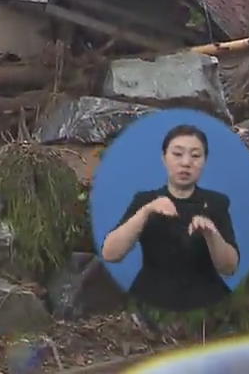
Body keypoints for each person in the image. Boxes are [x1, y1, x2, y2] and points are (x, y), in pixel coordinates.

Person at [101, 124, 240, 311]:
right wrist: (146, 211)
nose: (185, 163)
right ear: (164, 158)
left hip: (207, 301)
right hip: (150, 298)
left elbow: (229, 268)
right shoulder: (145, 200)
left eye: (195, 155)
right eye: (177, 154)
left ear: (205, 161)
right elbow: (110, 254)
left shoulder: (216, 203)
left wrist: (211, 233)